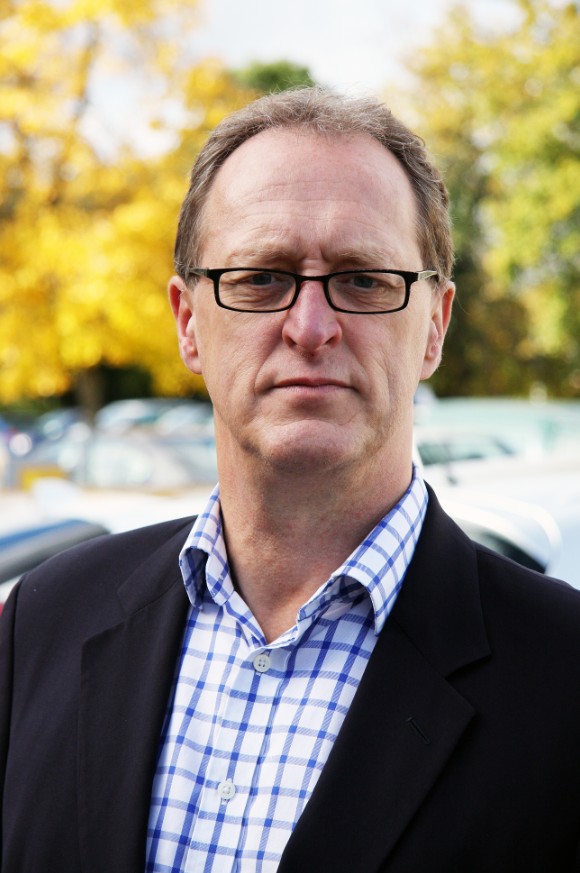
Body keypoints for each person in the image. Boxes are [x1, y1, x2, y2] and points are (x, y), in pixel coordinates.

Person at [1, 88, 580, 873]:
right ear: (188, 322)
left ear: (434, 326)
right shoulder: (43, 620)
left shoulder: (563, 678)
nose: (310, 327)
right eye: (261, 277)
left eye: (365, 279)